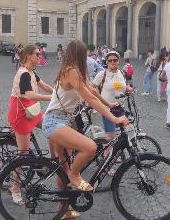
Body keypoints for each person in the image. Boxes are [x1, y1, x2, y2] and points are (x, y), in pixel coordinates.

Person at [42, 40, 127, 192]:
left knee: (63, 168)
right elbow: (91, 98)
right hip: (54, 122)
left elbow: (93, 92)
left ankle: (64, 208)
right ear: (80, 55)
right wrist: (113, 118)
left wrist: (108, 105)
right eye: (85, 54)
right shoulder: (71, 71)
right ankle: (75, 175)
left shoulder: (72, 71)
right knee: (90, 147)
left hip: (62, 121)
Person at [7, 45, 54, 203]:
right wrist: (51, 99)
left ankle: (53, 161)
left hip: (32, 110)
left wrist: (58, 93)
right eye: (37, 54)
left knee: (52, 128)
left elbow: (44, 86)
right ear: (28, 56)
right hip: (21, 114)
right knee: (23, 154)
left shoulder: (32, 72)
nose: (40, 56)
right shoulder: (24, 74)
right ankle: (15, 188)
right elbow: (29, 94)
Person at [92, 51, 131, 142]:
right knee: (110, 136)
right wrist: (102, 101)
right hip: (107, 109)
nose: (113, 62)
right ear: (107, 62)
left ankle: (117, 154)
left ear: (118, 61)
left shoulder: (121, 73)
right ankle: (107, 155)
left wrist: (127, 89)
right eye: (110, 60)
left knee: (120, 134)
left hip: (119, 108)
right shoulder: (102, 74)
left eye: (115, 60)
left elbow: (121, 87)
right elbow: (91, 89)